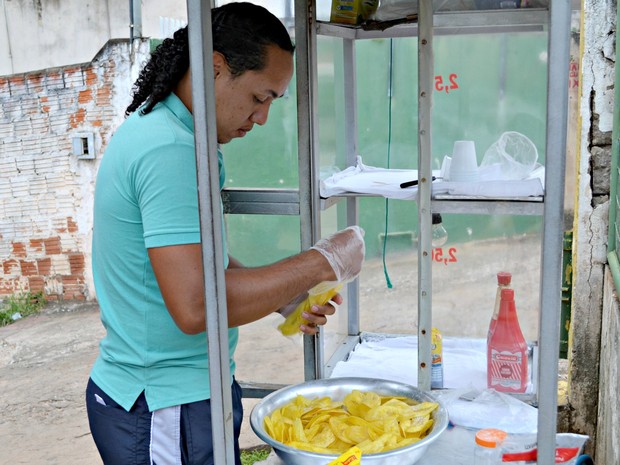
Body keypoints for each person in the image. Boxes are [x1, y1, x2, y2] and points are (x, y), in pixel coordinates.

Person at [86, 3, 365, 465]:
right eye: (260, 98)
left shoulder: (183, 136)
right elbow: (196, 306)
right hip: (162, 402)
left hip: (176, 393)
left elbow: (203, 261)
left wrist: (284, 296)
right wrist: (320, 261)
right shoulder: (169, 150)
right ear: (216, 67)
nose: (263, 118)